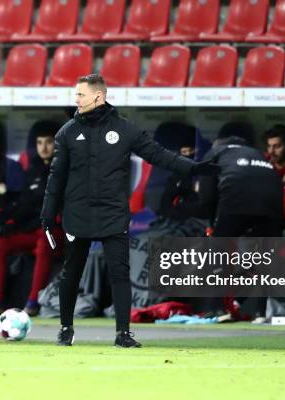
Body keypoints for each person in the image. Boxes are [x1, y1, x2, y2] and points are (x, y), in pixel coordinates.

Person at [40, 74, 218, 348]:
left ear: (98, 96)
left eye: (80, 95)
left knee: (120, 273)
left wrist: (192, 168)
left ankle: (123, 333)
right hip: (78, 214)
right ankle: (66, 329)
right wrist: (48, 214)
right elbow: (56, 177)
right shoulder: (66, 132)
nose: (76, 99)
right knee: (71, 273)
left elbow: (158, 155)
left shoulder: (125, 129)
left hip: (113, 214)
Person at [193, 122, 284, 322]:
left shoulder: (214, 152)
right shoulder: (256, 153)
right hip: (273, 201)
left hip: (236, 198)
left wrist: (212, 223)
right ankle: (260, 312)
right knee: (264, 257)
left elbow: (207, 197)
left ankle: (217, 309)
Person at [0, 120, 63, 317]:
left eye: (48, 142)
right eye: (39, 143)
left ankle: (32, 302)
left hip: (56, 232)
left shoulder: (65, 170)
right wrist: (9, 224)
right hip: (33, 230)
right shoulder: (32, 171)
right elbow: (24, 206)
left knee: (44, 241)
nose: (44, 147)